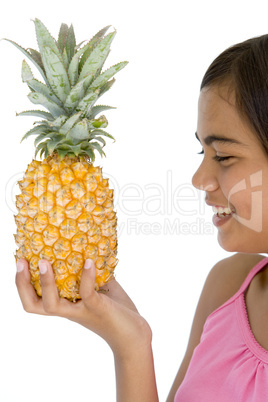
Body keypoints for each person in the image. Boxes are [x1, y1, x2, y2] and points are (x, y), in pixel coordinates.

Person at [15, 33, 268, 402]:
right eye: (201, 150)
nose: (199, 179)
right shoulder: (228, 286)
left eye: (224, 156)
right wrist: (131, 344)